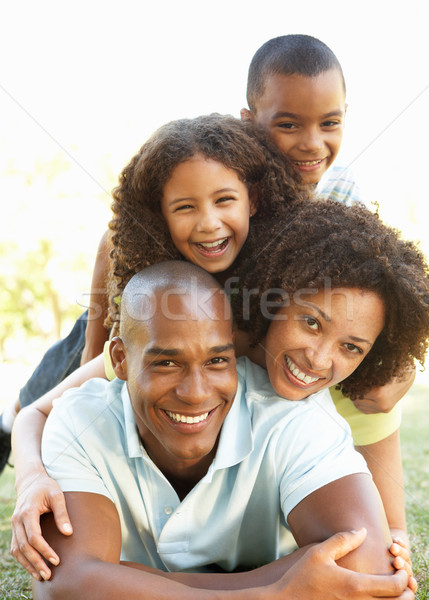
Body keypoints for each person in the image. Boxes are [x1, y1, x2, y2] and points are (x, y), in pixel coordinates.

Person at [31, 261, 414, 600]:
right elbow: (65, 585)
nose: (196, 393)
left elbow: (365, 575)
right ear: (120, 359)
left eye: (217, 360)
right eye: (166, 363)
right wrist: (272, 592)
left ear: (237, 353)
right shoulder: (80, 420)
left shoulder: (293, 416)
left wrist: (117, 579)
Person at [0, 111, 304, 472]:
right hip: (113, 329)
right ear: (160, 214)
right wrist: (92, 378)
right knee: (32, 402)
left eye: (224, 200)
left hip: (169, 347)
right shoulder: (139, 260)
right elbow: (95, 352)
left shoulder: (270, 262)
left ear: (252, 199)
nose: (209, 223)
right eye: (186, 207)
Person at [233, 198, 429, 553]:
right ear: (276, 296)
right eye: (311, 323)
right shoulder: (216, 344)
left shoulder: (360, 398)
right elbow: (99, 377)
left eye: (351, 347)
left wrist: (396, 547)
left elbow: (393, 525)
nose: (318, 360)